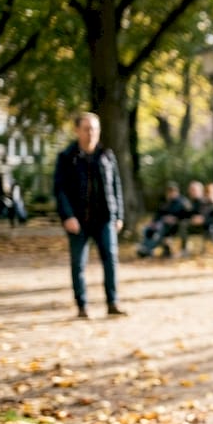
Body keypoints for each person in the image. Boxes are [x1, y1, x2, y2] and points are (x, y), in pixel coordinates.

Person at [53, 112, 127, 318]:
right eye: (86, 129)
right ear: (77, 131)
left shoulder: (107, 156)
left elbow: (116, 187)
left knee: (110, 259)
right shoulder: (67, 157)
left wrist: (118, 215)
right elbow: (60, 190)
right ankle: (82, 306)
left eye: (94, 128)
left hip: (104, 219)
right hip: (78, 220)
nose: (91, 133)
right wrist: (67, 216)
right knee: (78, 264)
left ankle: (113, 302)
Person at [137, 181, 192, 258]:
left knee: (159, 232)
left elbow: (187, 215)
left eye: (172, 191)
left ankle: (148, 249)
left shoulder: (183, 203)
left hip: (175, 226)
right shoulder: (165, 203)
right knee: (147, 229)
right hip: (162, 224)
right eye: (169, 191)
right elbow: (158, 214)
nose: (171, 193)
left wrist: (175, 219)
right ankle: (144, 247)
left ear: (177, 191)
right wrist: (153, 222)